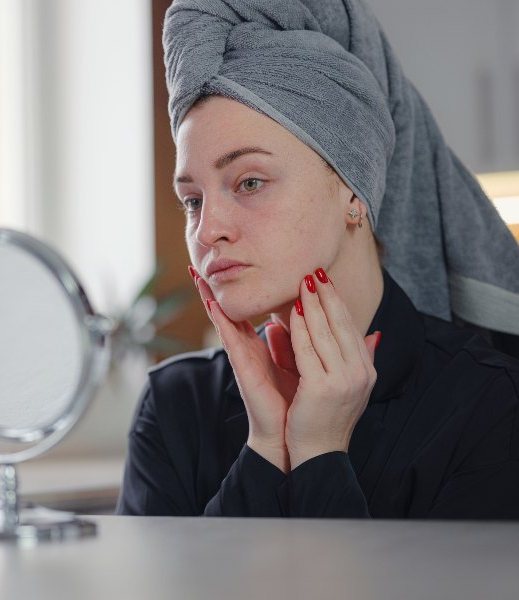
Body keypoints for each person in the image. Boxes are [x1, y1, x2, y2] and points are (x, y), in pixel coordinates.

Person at [116, 0, 519, 519]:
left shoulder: (491, 405)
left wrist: (320, 454)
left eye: (250, 182)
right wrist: (265, 447)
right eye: (193, 199)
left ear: (354, 190)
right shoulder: (174, 406)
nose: (207, 228)